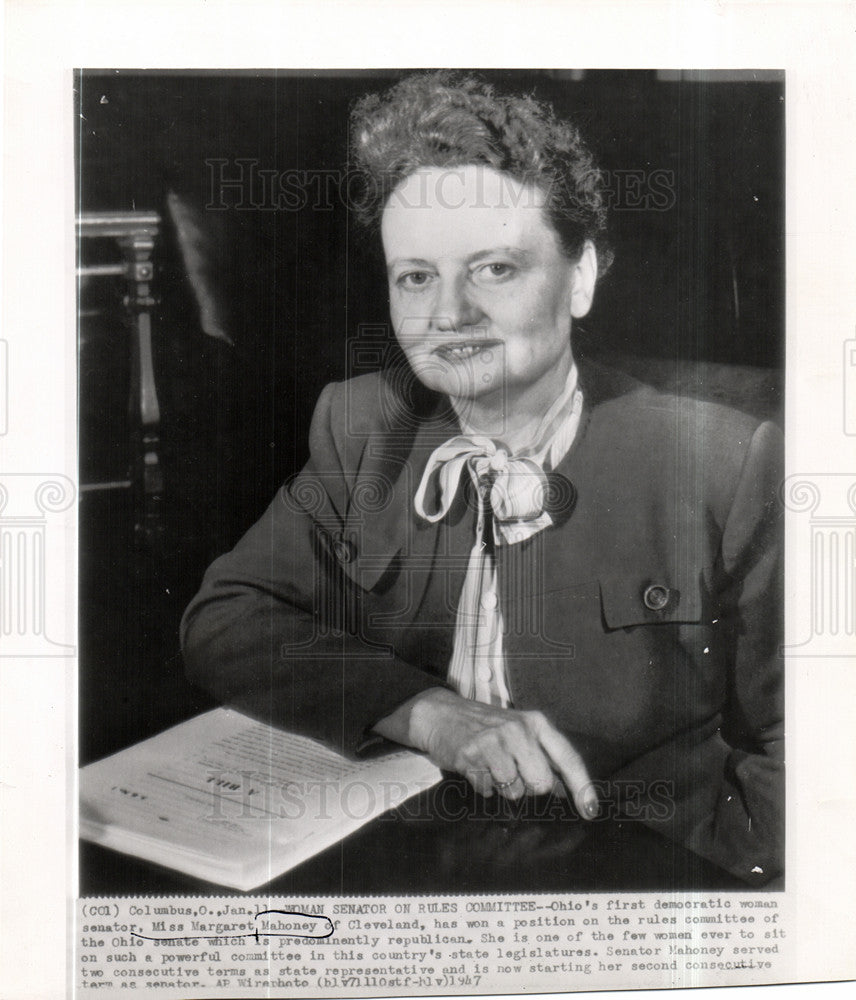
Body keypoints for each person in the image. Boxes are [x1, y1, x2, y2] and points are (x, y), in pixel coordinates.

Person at [181, 72, 783, 886]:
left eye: (494, 268)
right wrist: (426, 711)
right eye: (416, 277)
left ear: (582, 278)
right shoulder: (363, 427)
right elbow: (226, 616)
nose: (448, 315)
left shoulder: (721, 465)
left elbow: (806, 755)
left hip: (635, 881)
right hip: (411, 864)